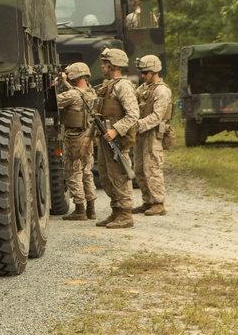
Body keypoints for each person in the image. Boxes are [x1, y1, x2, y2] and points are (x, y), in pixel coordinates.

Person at [84, 48, 139, 229]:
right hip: (105, 139)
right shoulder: (109, 85)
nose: (102, 66)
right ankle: (116, 211)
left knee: (119, 176)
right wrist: (88, 138)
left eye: (105, 63)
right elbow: (98, 115)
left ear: (113, 65)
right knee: (107, 177)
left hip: (116, 139)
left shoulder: (123, 86)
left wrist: (116, 130)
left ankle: (125, 214)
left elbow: (133, 114)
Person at [131, 55, 173, 216]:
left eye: (146, 72)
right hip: (142, 133)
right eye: (142, 72)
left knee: (153, 168)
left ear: (154, 71)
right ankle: (147, 201)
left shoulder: (161, 91)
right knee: (139, 169)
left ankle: (158, 202)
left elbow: (157, 116)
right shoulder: (144, 88)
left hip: (153, 134)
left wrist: (138, 125)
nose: (143, 75)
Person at [56, 62, 97, 221]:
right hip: (88, 136)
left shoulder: (73, 95)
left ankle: (80, 209)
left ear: (74, 76)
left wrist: (58, 84)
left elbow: (56, 101)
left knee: (73, 172)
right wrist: (65, 83)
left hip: (74, 137)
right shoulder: (91, 92)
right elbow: (77, 92)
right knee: (87, 172)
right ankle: (91, 209)